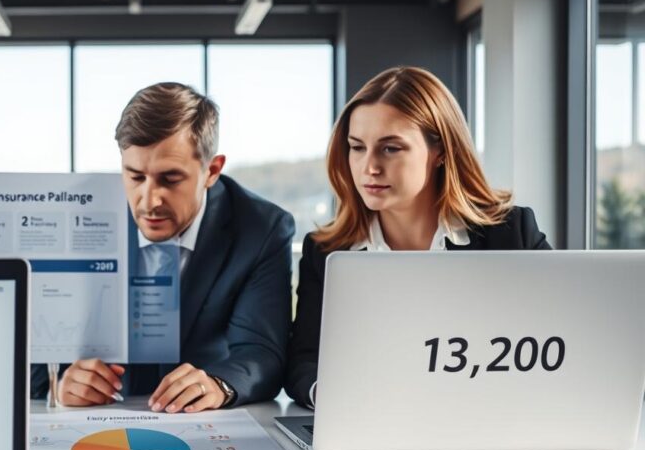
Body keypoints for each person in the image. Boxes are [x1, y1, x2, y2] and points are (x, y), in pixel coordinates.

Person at [285, 66, 551, 409]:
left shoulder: (511, 232)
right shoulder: (325, 251)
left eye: (390, 148)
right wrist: (332, 397)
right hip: (371, 426)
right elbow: (303, 361)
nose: (369, 167)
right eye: (357, 147)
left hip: (489, 420)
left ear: (440, 151)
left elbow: (559, 339)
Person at [33, 82, 295, 413]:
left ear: (211, 170)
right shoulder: (75, 217)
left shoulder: (261, 229)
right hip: (98, 421)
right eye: (135, 177)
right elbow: (30, 352)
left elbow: (262, 351)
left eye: (170, 179)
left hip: (198, 423)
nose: (149, 201)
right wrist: (61, 381)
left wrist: (220, 384)